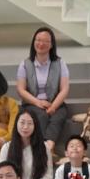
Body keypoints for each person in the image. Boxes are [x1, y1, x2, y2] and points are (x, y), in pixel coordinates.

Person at [15, 25, 71, 153]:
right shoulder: (25, 64)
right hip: (32, 103)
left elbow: (64, 89)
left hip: (54, 102)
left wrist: (53, 106)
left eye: (46, 41)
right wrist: (38, 102)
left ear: (51, 45)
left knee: (58, 116)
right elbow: (21, 90)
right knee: (41, 115)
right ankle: (42, 149)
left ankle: (49, 147)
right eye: (38, 40)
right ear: (33, 42)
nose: (41, 44)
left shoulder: (60, 63)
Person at [3, 110, 53, 179]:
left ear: (35, 126)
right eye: (22, 122)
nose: (25, 127)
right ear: (16, 124)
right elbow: (2, 175)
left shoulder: (44, 147)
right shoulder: (6, 147)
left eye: (30, 123)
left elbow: (48, 176)